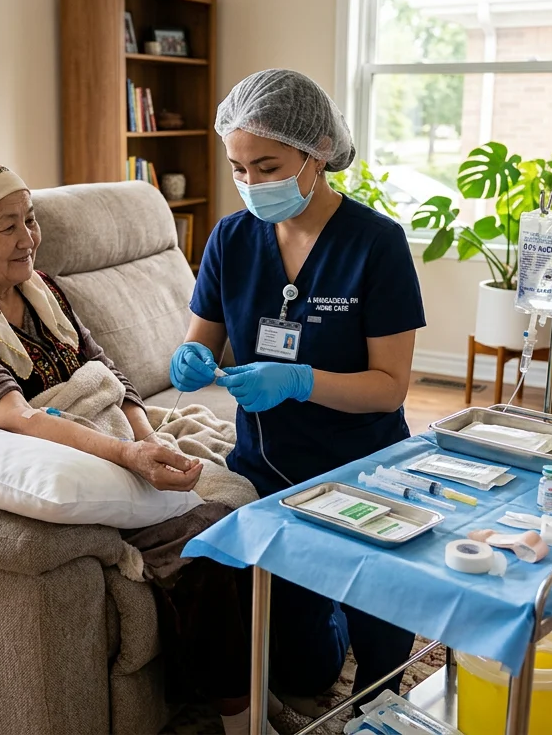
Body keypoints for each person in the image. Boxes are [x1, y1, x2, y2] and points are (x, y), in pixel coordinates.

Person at [0, 160, 306, 735]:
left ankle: (257, 688)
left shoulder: (42, 293)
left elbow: (106, 375)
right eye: (7, 226)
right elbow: (17, 419)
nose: (28, 237)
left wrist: (147, 438)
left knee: (246, 518)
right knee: (205, 552)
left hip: (105, 440)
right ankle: (243, 721)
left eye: (30, 219)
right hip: (47, 472)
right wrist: (130, 458)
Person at [171, 69, 427, 711]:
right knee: (304, 673)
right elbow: (202, 339)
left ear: (316, 152)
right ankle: (324, 609)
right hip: (265, 467)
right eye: (238, 168)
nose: (252, 183)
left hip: (362, 469)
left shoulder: (377, 244)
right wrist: (192, 358)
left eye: (267, 165)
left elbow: (390, 389)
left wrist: (300, 380)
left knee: (377, 670)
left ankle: (364, 615)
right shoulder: (231, 238)